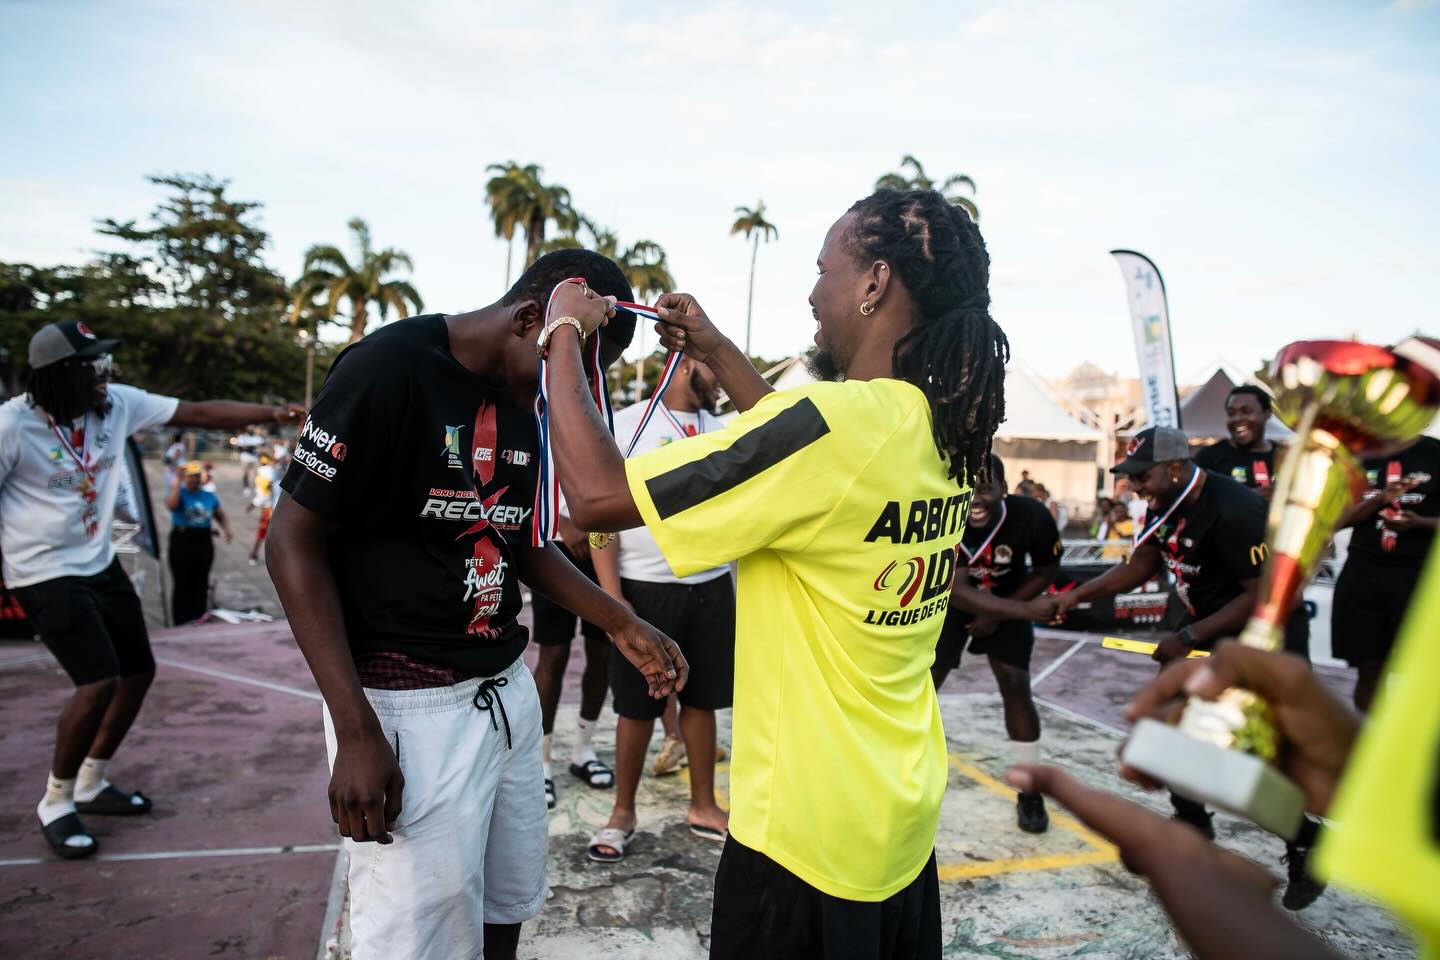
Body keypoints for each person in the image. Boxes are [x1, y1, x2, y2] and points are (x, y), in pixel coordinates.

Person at [542, 188, 1009, 959]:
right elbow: (806, 470)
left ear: (874, 282)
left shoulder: (834, 425)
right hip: (895, 822)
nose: (812, 292)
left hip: (804, 838)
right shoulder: (929, 422)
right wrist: (719, 352)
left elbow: (595, 498)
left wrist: (564, 330)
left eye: (825, 268)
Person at [264, 250, 686, 960]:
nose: (564, 390)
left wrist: (620, 622)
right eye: (563, 364)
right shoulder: (388, 368)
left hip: (502, 693)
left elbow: (519, 540)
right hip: (406, 709)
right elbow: (290, 543)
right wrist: (356, 727)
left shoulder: (524, 394)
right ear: (531, 320)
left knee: (504, 904)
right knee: (416, 940)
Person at [0, 320, 303, 860]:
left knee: (138, 672)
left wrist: (274, 414)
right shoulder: (11, 426)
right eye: (93, 367)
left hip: (98, 561)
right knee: (97, 682)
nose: (105, 376)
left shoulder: (116, 404)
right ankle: (56, 800)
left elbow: (198, 412)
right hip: (41, 570)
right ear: (60, 376)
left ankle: (92, 782)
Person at [1042, 426, 1324, 910]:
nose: (1135, 485)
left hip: (1260, 636)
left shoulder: (1234, 509)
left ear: (1175, 468)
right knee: (1162, 731)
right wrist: (1076, 596)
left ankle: (1306, 842)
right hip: (1206, 631)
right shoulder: (1165, 502)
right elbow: (1142, 565)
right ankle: (1192, 821)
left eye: (1142, 474)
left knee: (1240, 753)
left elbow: (1262, 595)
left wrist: (1188, 636)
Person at [587, 354, 734, 861]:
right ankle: (622, 812)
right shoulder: (627, 425)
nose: (719, 373)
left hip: (712, 587)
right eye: (710, 363)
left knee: (703, 701)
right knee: (636, 707)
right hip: (643, 590)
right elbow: (600, 518)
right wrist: (613, 602)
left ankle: (704, 805)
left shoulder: (726, 428)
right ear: (684, 363)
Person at [931, 454, 1061, 834]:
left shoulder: (1031, 515)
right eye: (968, 486)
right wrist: (1013, 612)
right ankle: (899, 776)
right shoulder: (941, 511)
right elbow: (955, 587)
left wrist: (1004, 612)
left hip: (1011, 595)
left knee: (1016, 685)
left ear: (1004, 489)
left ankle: (1030, 788)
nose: (976, 497)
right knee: (923, 686)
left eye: (985, 487)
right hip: (952, 605)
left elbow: (1046, 568)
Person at [1330, 434, 1438, 711]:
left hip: (1419, 578)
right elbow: (1335, 520)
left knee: (1423, 674)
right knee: (1369, 670)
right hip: (1364, 576)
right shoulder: (1359, 455)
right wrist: (1380, 499)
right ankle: (1368, 742)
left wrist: (1421, 523)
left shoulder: (1434, 452)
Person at [531, 507, 614, 809]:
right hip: (553, 544)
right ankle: (541, 762)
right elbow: (524, 483)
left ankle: (584, 750)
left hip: (603, 542)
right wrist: (562, 522)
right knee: (554, 654)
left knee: (601, 651)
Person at [165, 460, 233, 624]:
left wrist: (227, 530)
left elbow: (219, 514)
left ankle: (198, 616)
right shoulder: (180, 493)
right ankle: (181, 619)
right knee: (182, 581)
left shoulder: (208, 495)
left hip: (203, 540)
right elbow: (172, 505)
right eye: (190, 477)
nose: (194, 480)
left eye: (196, 477)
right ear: (185, 478)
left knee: (201, 580)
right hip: (182, 539)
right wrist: (177, 481)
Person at [1194, 384, 1280, 499]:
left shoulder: (1285, 456)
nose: (1237, 418)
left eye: (1247, 411)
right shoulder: (1209, 458)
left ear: (1267, 413)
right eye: (1231, 413)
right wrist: (1248, 498)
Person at [247, 452, 278, 567]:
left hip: (269, 509)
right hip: (273, 508)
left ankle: (253, 555)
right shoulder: (273, 471)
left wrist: (253, 504)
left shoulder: (263, 474)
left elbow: (264, 493)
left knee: (262, 534)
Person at [236, 426, 264, 493]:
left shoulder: (258, 437)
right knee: (245, 474)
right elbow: (239, 447)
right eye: (249, 429)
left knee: (258, 474)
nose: (251, 430)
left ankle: (257, 487)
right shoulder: (242, 437)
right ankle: (246, 487)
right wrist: (250, 447)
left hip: (255, 459)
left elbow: (260, 447)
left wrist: (249, 447)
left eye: (252, 429)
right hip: (245, 458)